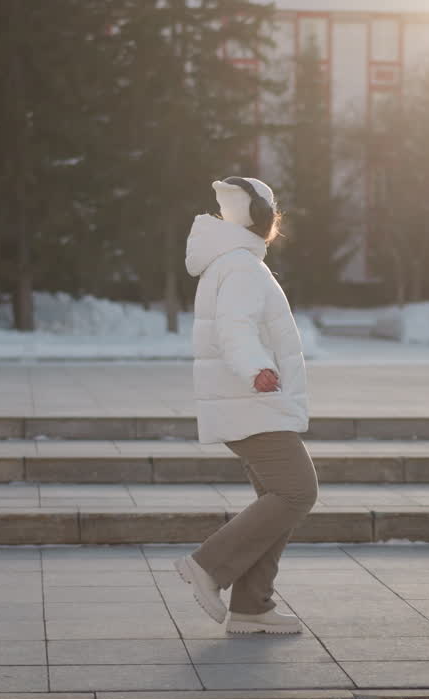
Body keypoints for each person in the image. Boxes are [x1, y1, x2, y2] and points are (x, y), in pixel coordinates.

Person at [172, 177, 315, 635]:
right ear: (264, 218)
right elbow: (235, 328)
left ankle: (252, 606)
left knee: (278, 500)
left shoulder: (233, 263)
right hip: (253, 400)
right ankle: (209, 566)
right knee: (297, 492)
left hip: (250, 401)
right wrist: (257, 368)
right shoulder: (241, 267)